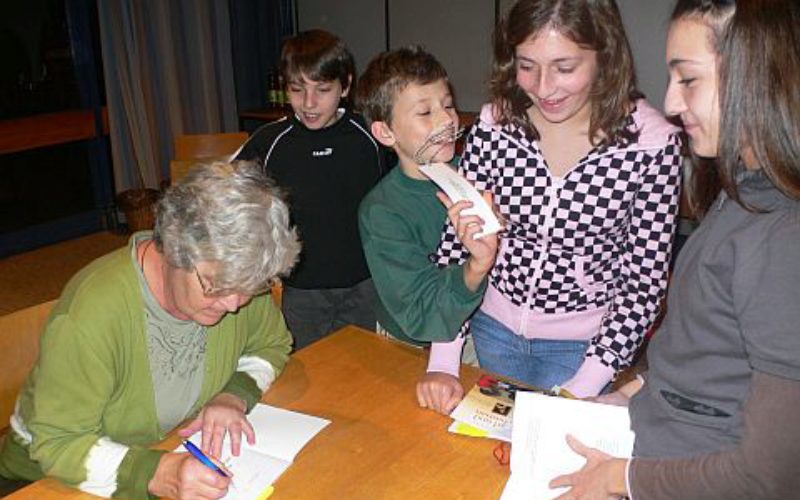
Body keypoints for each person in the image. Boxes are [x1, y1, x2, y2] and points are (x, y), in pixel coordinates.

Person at [534, 1, 800, 500]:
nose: (671, 103)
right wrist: (632, 392)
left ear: (758, 75)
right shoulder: (743, 190)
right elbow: (712, 354)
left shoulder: (783, 240)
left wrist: (619, 478)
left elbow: (770, 479)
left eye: (689, 80)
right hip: (657, 455)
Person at [420, 0, 684, 413]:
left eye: (565, 68)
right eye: (527, 65)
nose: (543, 88)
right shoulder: (495, 126)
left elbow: (643, 283)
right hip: (491, 328)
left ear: (605, 56)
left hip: (585, 349)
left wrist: (584, 385)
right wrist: (443, 360)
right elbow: (456, 245)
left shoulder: (650, 144)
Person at [0, 161, 301, 500]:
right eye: (215, 286)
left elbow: (272, 344)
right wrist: (159, 474)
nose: (234, 305)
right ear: (172, 249)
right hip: (47, 480)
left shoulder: (237, 278)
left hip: (162, 449)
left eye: (249, 288)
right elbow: (57, 441)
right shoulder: (94, 313)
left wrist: (233, 395)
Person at [356, 47, 499, 412]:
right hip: (410, 344)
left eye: (448, 105)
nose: (446, 120)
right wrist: (474, 268)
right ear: (385, 131)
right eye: (425, 111)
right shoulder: (382, 211)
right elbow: (419, 312)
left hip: (476, 334)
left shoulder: (479, 174)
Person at [234, 29, 388, 350]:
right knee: (306, 370)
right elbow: (228, 192)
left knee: (360, 372)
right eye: (296, 89)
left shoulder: (372, 136)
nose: (308, 103)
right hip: (301, 289)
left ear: (345, 85)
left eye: (323, 89)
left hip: (365, 284)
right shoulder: (270, 141)